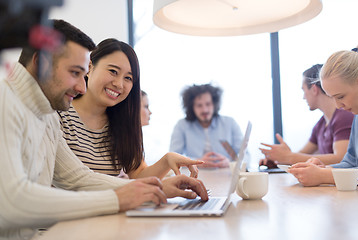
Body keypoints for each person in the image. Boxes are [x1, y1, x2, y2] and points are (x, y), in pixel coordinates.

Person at [0, 19, 208, 240]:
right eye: (75, 72)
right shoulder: (6, 101)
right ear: (41, 63)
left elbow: (77, 177)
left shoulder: (46, 115)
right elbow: (10, 201)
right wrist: (118, 199)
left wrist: (151, 190)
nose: (82, 86)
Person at [58, 39, 201, 179]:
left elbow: (138, 175)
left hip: (113, 203)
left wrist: (167, 160)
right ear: (89, 68)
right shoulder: (59, 115)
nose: (119, 84)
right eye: (113, 71)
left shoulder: (122, 124)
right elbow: (70, 181)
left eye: (128, 78)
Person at [288, 48, 358, 186]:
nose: (338, 106)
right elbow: (350, 162)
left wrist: (324, 175)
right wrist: (324, 169)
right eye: (333, 98)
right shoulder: (357, 116)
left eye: (341, 97)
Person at [259, 64, 353, 167]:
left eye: (303, 90)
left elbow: (341, 159)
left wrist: (289, 157)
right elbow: (302, 154)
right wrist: (278, 160)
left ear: (314, 89)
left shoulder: (344, 117)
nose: (304, 97)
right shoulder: (321, 124)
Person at [169, 83, 244, 168]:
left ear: (214, 104)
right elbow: (173, 158)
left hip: (226, 175)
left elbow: (245, 155)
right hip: (195, 176)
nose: (205, 110)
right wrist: (196, 162)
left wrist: (231, 163)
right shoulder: (182, 125)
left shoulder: (230, 123)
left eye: (208, 104)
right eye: (199, 105)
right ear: (192, 107)